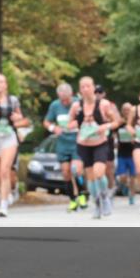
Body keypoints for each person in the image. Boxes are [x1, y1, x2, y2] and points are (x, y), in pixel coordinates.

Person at [68, 77, 121, 219]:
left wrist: (105, 126)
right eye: (82, 87)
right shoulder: (76, 106)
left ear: (93, 88)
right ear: (80, 90)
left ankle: (104, 197)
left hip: (100, 143)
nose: (85, 89)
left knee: (99, 173)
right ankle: (96, 203)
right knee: (89, 177)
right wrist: (75, 124)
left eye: (88, 86)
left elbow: (116, 121)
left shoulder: (103, 104)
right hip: (83, 144)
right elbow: (69, 123)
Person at [0, 74, 29, 219]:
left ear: (6, 85)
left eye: (1, 82)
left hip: (9, 138)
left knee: (5, 171)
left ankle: (4, 205)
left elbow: (23, 121)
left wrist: (18, 119)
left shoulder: (13, 100)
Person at [44, 83, 86, 213]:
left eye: (67, 99)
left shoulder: (79, 104)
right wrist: (53, 128)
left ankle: (82, 195)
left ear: (71, 94)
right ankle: (73, 199)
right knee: (66, 172)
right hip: (62, 142)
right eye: (62, 99)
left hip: (77, 141)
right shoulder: (55, 105)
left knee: (76, 170)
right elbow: (46, 121)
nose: (65, 102)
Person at [115, 103, 137, 203]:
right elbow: (114, 134)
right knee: (122, 176)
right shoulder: (119, 123)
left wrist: (134, 138)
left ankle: (131, 196)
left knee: (133, 176)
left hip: (133, 152)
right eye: (124, 109)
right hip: (121, 153)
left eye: (128, 109)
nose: (126, 111)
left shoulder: (135, 123)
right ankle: (125, 186)